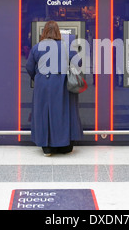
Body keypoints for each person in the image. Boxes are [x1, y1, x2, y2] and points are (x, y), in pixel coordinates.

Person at [26, 21, 83, 156]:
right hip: (62, 84)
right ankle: (65, 146)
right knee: (63, 113)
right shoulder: (66, 46)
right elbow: (78, 61)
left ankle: (47, 148)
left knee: (44, 114)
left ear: (44, 32)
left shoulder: (37, 47)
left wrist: (38, 77)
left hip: (43, 85)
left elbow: (29, 67)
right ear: (58, 32)